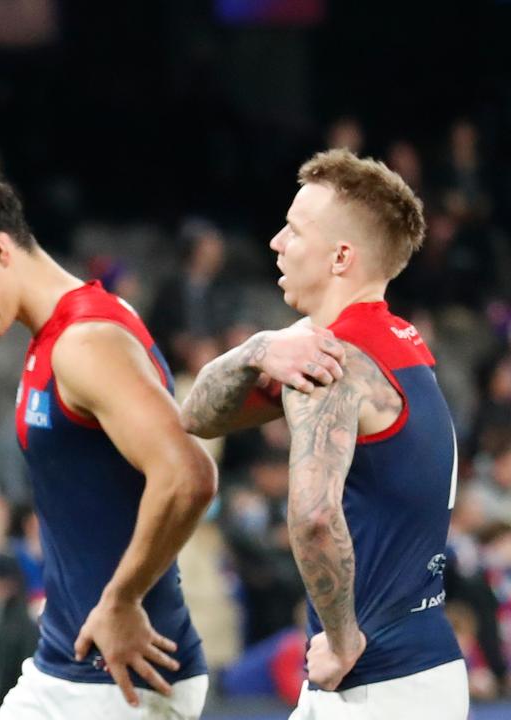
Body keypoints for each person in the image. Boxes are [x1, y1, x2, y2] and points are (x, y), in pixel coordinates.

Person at [0, 161, 217, 718]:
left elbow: (188, 474)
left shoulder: (86, 341)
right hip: (72, 667)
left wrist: (121, 600)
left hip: (119, 678)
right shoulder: (60, 335)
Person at [179, 148, 468, 719]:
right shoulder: (394, 345)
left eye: (293, 229)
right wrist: (258, 347)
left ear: (340, 256)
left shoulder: (330, 363)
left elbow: (313, 516)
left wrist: (340, 643)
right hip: (409, 674)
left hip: (376, 683)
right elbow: (197, 415)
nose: (276, 243)